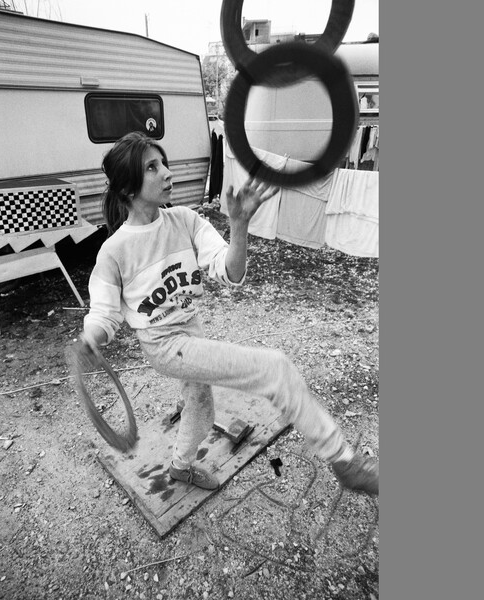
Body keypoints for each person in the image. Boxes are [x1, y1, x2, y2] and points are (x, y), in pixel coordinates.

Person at [77, 131, 378, 495]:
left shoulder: (184, 220)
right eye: (152, 168)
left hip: (191, 330)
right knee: (274, 368)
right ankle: (344, 461)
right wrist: (92, 337)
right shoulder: (114, 251)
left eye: (164, 163)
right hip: (164, 345)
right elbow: (104, 312)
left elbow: (230, 272)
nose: (168, 172)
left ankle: (180, 467)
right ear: (127, 188)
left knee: (200, 406)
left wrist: (239, 225)